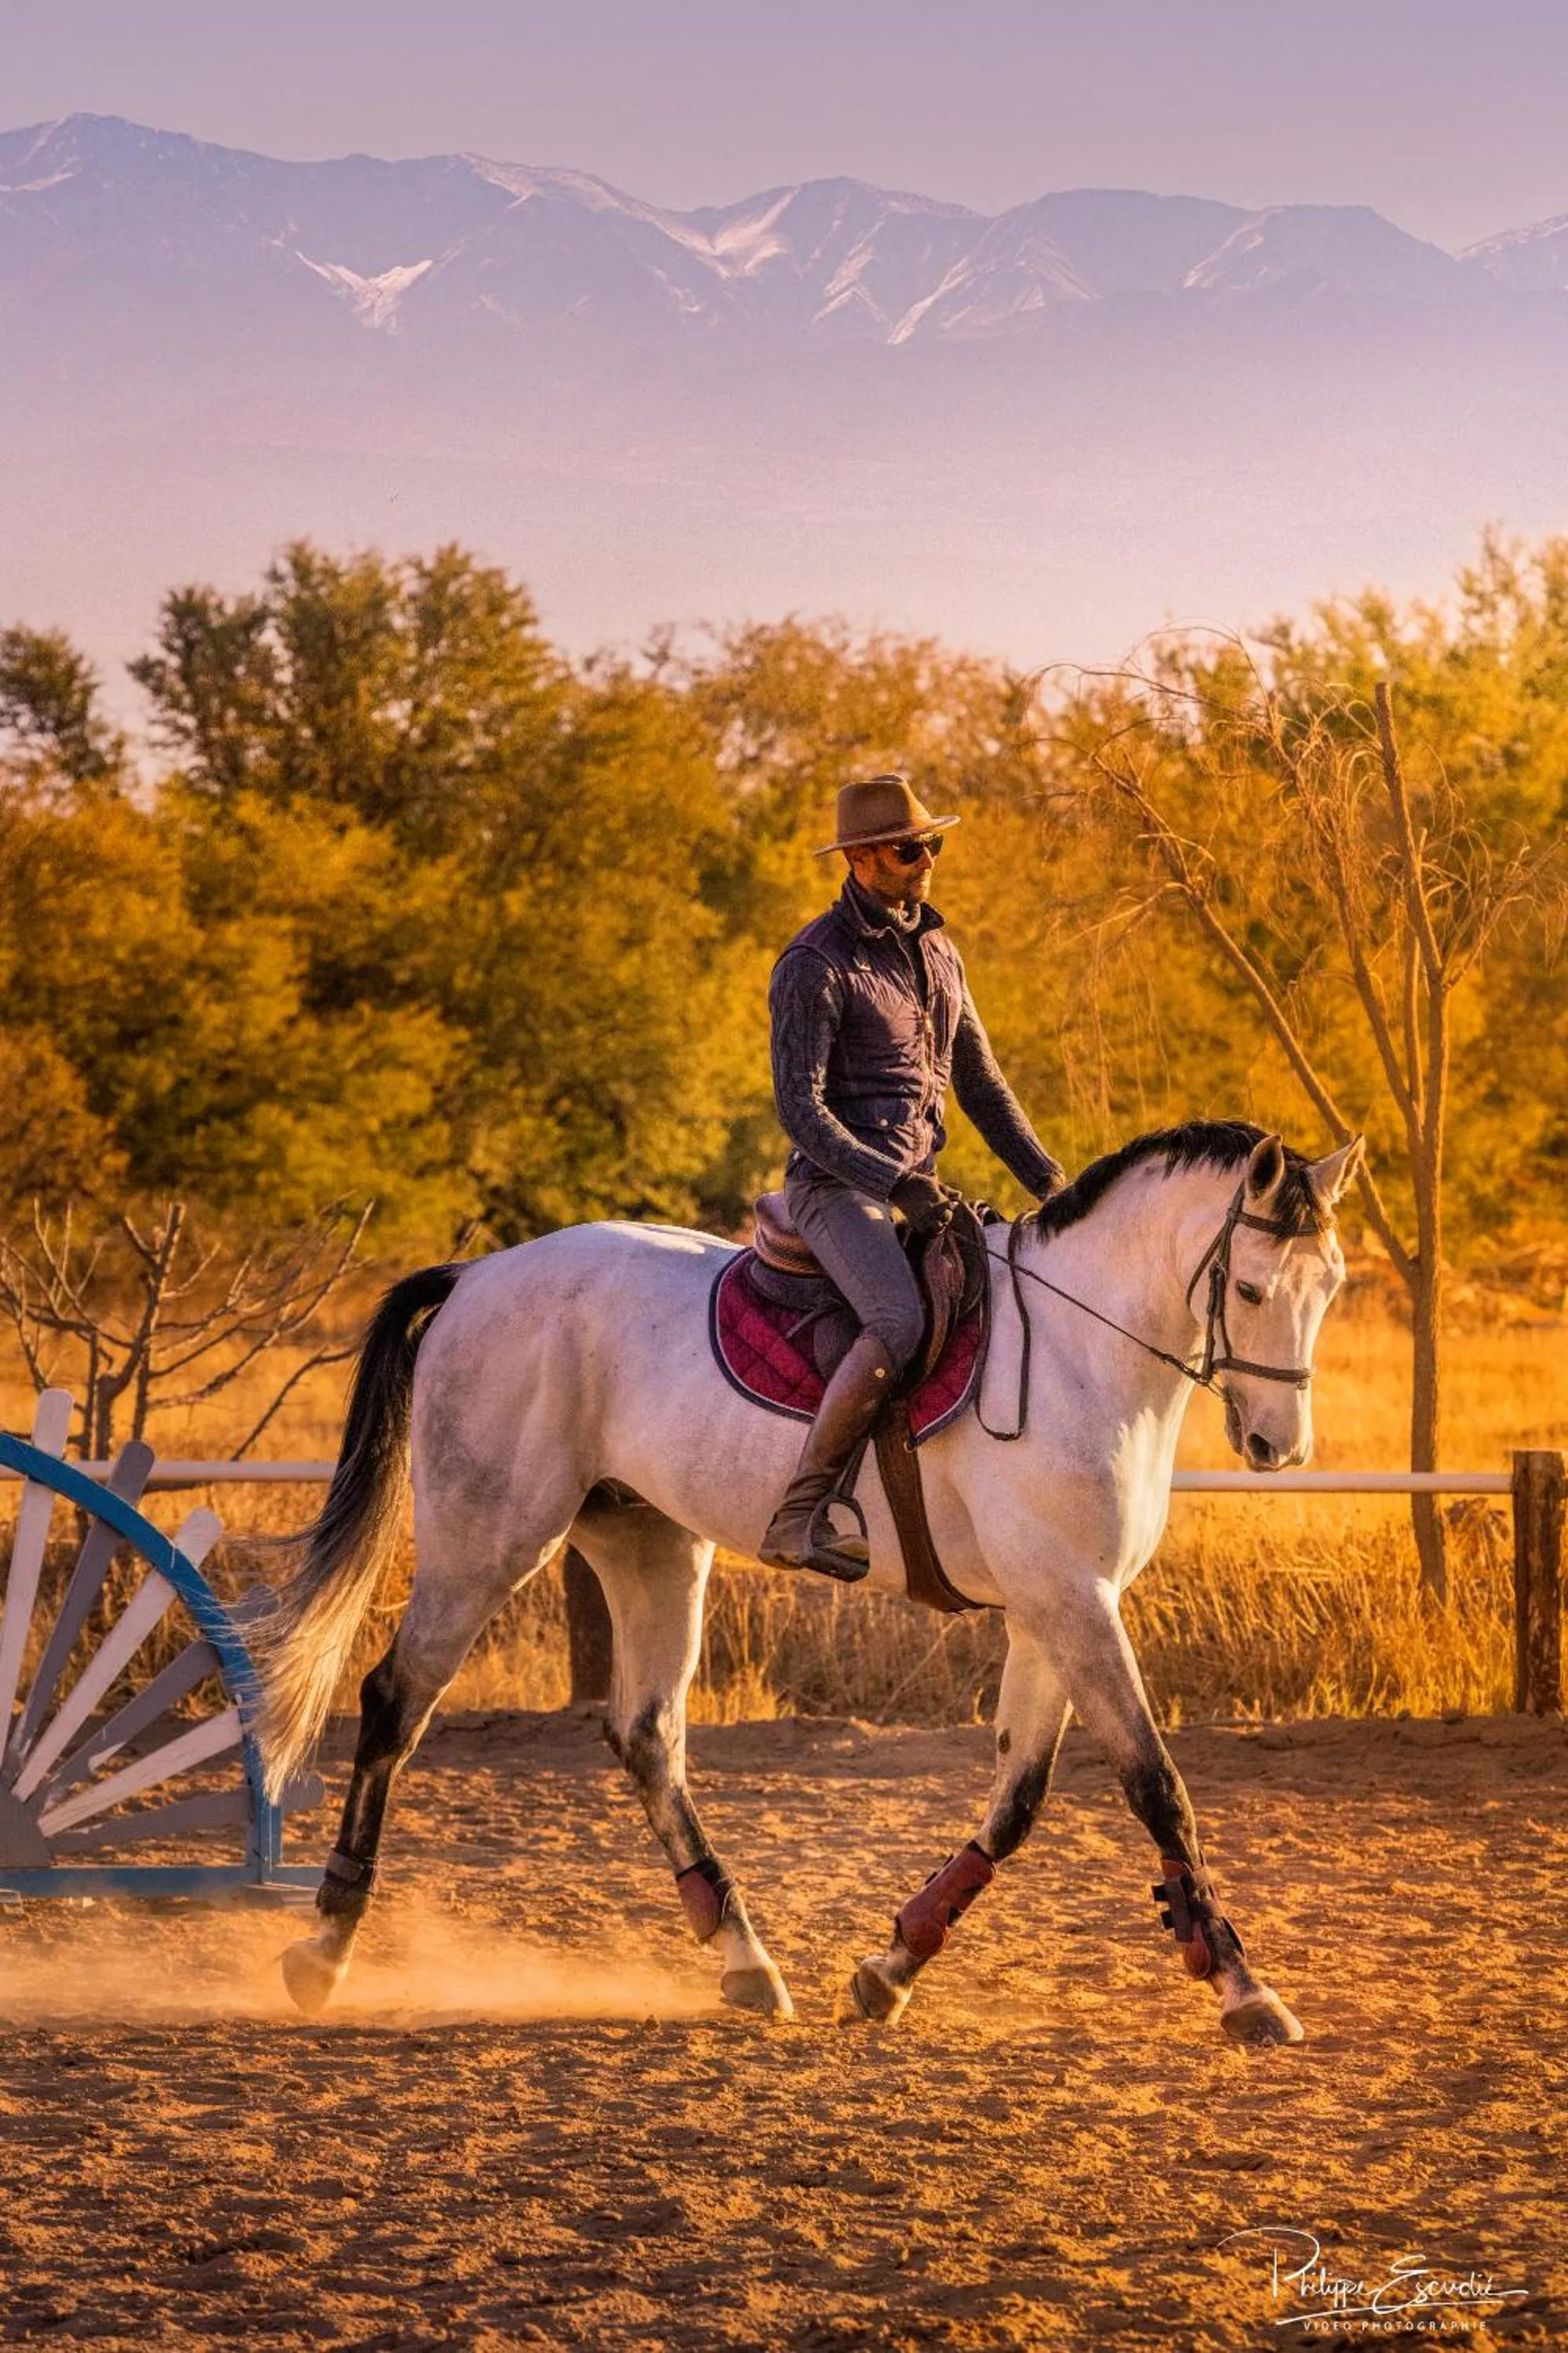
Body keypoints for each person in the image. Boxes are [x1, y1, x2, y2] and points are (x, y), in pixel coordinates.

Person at [758, 772, 1066, 1580]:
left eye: (933, 843)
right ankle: (798, 1514)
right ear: (860, 858)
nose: (926, 858)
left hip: (913, 1184)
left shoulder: (938, 953)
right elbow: (799, 1108)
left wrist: (1053, 1185)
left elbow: (982, 1086)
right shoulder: (812, 963)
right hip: (834, 1188)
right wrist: (892, 1182)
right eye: (908, 847)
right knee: (895, 1318)